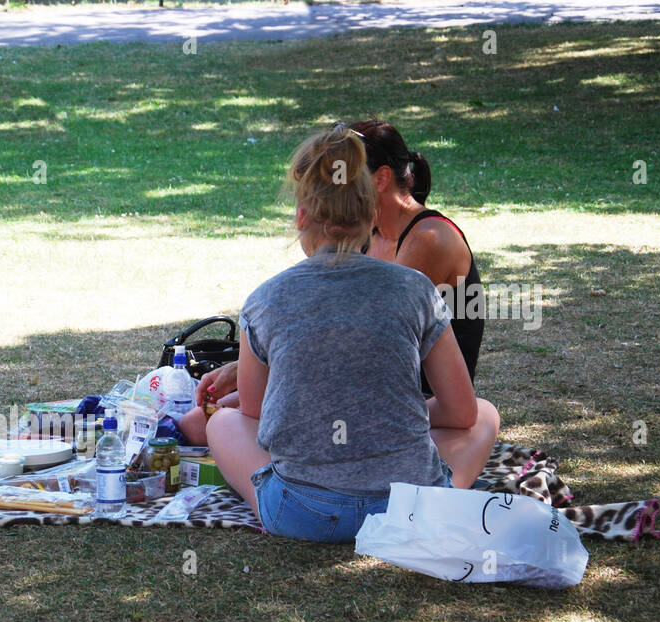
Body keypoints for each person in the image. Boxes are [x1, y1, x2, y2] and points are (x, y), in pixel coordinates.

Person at [204, 124, 500, 543]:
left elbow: (254, 411)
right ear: (369, 215)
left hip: (301, 512)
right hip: (410, 508)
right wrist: (390, 420)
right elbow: (463, 413)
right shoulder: (415, 291)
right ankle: (440, 501)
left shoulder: (265, 299)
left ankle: (287, 498)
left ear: (302, 216)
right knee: (484, 413)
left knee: (223, 424)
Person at [351, 117, 484, 393]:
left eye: (342, 176)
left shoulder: (428, 239)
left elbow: (375, 338)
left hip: (423, 408)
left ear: (382, 179)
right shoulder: (367, 233)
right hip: (374, 391)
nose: (332, 188)